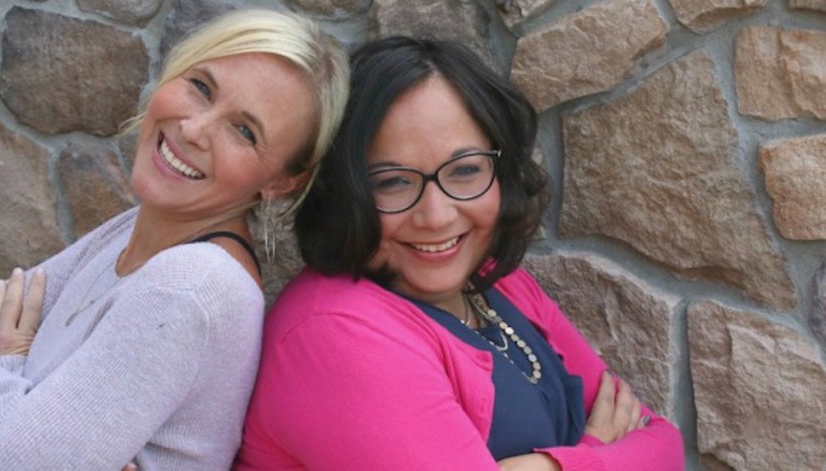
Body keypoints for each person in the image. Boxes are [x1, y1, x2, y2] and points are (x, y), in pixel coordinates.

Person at [0, 9, 349, 470]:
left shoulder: (192, 286)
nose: (194, 129)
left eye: (244, 131)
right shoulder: (140, 230)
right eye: (201, 87)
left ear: (282, 182)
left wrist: (4, 364)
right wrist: (12, 418)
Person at [235, 37, 684, 470]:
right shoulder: (333, 334)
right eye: (392, 181)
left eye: (465, 170)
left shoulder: (496, 281)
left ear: (501, 170)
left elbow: (663, 442)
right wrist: (596, 455)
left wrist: (549, 467)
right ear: (345, 192)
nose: (436, 216)